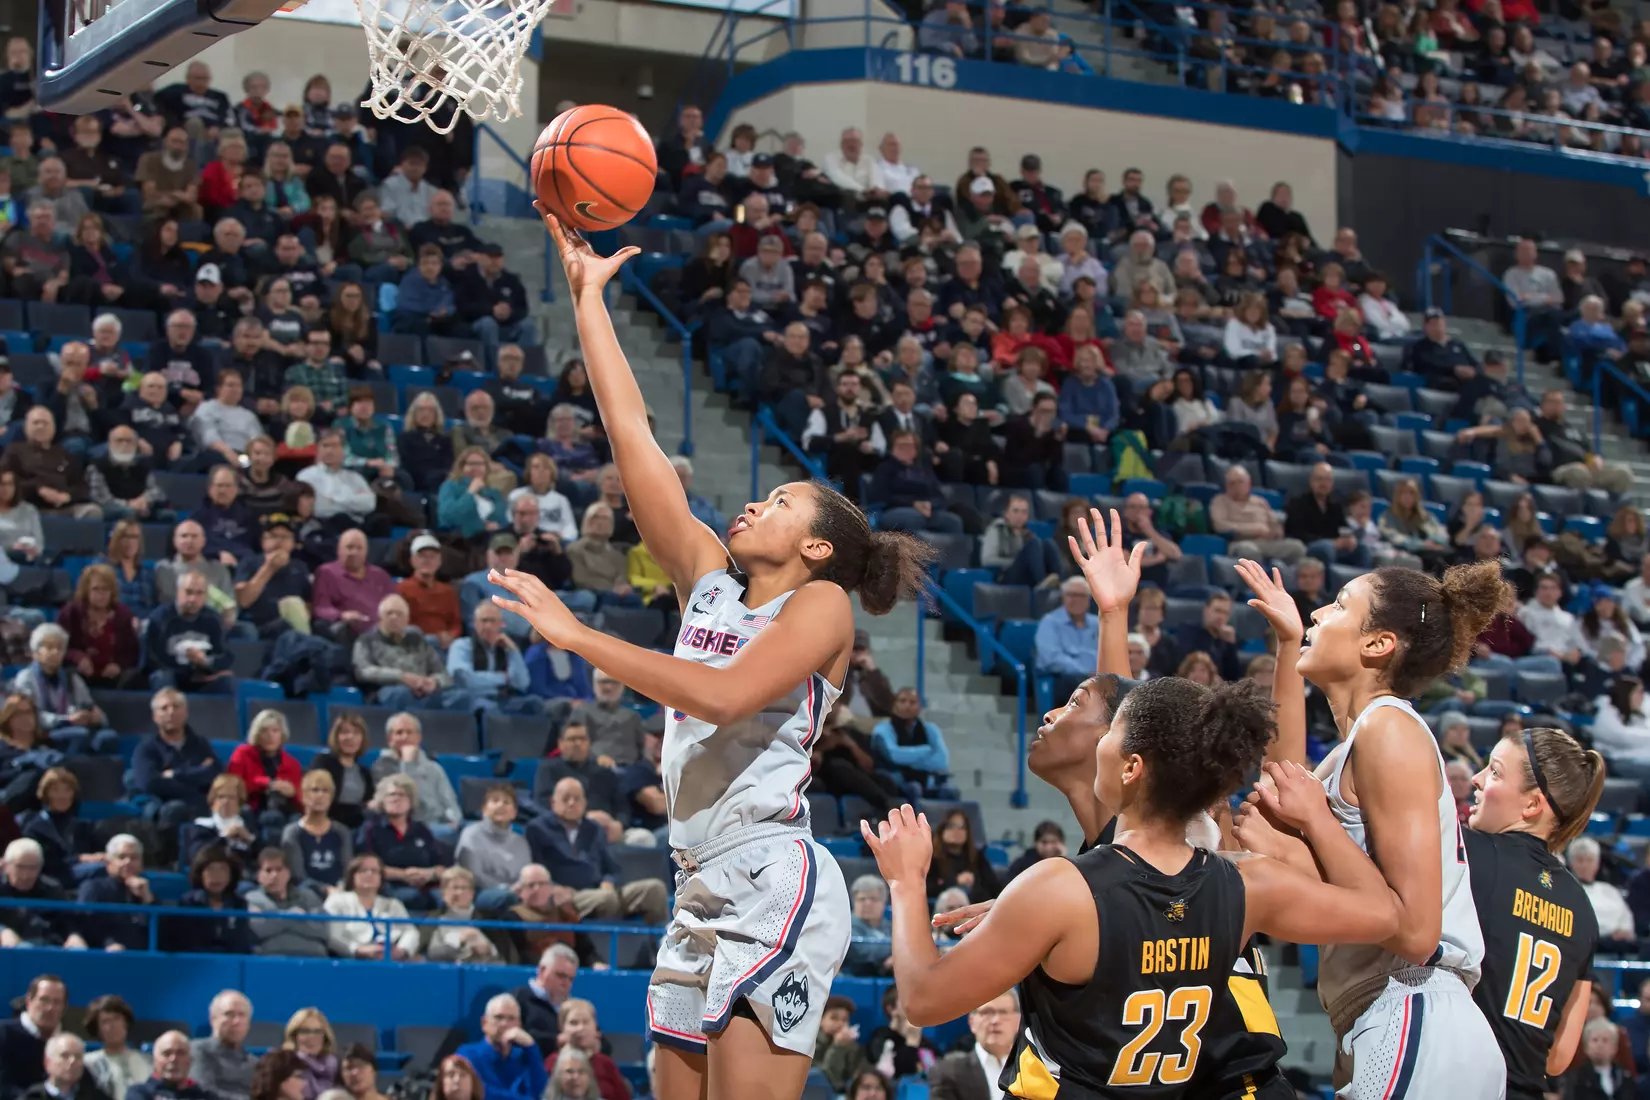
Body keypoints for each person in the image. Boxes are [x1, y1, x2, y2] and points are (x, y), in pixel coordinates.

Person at [1236, 557, 1513, 1097]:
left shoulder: (1390, 727)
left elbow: (1414, 932)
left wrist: (1314, 828)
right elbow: (1281, 788)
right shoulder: (1359, 743)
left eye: (1338, 605)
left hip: (1414, 1004)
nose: (1316, 611)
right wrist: (1288, 645)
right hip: (1393, 1019)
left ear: (1378, 643)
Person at [1462, 725, 1605, 1099]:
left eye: (1493, 771)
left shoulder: (1466, 853)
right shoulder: (1584, 911)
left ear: (1531, 805)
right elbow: (1556, 1058)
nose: (1476, 779)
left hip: (1452, 1079)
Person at [524, 777, 669, 924]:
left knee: (655, 890)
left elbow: (611, 868)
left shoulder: (594, 828)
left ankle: (660, 943)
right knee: (606, 899)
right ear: (553, 802)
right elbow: (536, 867)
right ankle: (608, 946)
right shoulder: (538, 829)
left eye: (577, 798)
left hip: (602, 891)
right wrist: (553, 888)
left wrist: (608, 881)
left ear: (585, 803)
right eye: (566, 798)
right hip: (568, 895)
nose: (571, 803)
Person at [352, 594, 470, 712]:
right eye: (389, 613)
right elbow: (363, 671)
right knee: (401, 694)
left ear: (407, 620)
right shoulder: (366, 640)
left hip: (425, 691)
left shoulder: (418, 641)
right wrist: (402, 677)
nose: (394, 617)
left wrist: (434, 682)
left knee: (461, 697)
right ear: (380, 617)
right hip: (389, 690)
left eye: (399, 614)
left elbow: (444, 674)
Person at [130, 689, 221, 830]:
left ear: (186, 713)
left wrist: (176, 774)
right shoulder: (146, 749)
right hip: (166, 805)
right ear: (155, 716)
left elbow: (215, 773)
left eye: (176, 706)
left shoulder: (201, 744)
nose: (171, 712)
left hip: (201, 804)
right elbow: (151, 783)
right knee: (175, 809)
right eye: (164, 708)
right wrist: (196, 776)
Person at [370, 712, 462, 832]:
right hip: (411, 826)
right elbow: (411, 803)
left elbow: (449, 801)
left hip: (441, 825)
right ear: (389, 739)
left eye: (409, 732)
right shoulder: (382, 767)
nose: (405, 737)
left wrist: (455, 821)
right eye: (399, 733)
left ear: (419, 738)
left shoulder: (434, 768)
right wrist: (408, 765)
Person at [448, 604, 543, 714]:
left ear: (501, 624)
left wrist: (513, 651)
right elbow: (465, 679)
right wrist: (504, 678)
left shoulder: (506, 648)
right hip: (472, 700)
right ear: (475, 624)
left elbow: (522, 683)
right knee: (488, 708)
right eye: (484, 621)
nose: (488, 626)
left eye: (493, 621)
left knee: (534, 703)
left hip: (503, 700)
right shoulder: (462, 646)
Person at [923, 993, 1019, 1100]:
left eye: (1003, 1012)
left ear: (1018, 1021)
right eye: (987, 1012)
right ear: (972, 1022)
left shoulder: (1033, 1070)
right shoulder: (947, 1072)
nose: (995, 1021)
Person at [323, 854, 420, 959]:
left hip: (391, 959)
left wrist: (401, 951)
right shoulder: (337, 901)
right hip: (351, 961)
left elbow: (411, 932)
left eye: (374, 871)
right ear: (352, 876)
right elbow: (332, 936)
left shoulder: (393, 904)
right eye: (363, 870)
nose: (369, 874)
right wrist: (357, 950)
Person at [455, 995, 546, 1100]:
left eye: (511, 1018)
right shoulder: (467, 1054)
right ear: (484, 1023)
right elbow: (480, 1093)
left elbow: (542, 1093)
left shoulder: (524, 1056)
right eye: (499, 1017)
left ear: (519, 1025)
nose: (505, 1024)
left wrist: (531, 1046)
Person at [246, 847, 331, 957]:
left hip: (313, 959)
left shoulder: (309, 897)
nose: (274, 875)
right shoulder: (252, 899)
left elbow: (323, 931)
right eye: (268, 870)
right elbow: (256, 932)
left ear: (288, 873)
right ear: (259, 876)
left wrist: (276, 921)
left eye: (279, 869)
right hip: (270, 961)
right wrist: (291, 917)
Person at [281, 770, 352, 892]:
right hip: (304, 893)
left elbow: (348, 869)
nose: (320, 795)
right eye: (315, 790)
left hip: (339, 893)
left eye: (325, 791)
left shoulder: (342, 832)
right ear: (303, 795)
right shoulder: (292, 832)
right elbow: (297, 876)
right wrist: (325, 890)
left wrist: (340, 888)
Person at [544, 1000, 630, 1100]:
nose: (580, 1028)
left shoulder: (606, 1064)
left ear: (595, 1026)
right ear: (562, 1027)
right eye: (574, 1023)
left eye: (586, 1022)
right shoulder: (552, 1063)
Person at [1033, 578, 1100, 703]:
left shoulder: (1097, 623)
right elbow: (1051, 659)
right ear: (1063, 597)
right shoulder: (1050, 622)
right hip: (1061, 679)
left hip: (1096, 678)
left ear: (1089, 600)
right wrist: (1086, 673)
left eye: (1082, 596)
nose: (1077, 600)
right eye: (1072, 595)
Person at [0, 975, 66, 1100]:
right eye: (44, 1000)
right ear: (29, 1001)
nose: (50, 1008)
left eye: (57, 1002)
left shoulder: (67, 1043)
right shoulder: (4, 1033)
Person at [312, 714, 374, 830]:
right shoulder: (323, 762)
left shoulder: (364, 773)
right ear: (336, 737)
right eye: (344, 732)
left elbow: (368, 801)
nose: (350, 737)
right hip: (329, 821)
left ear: (362, 739)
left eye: (356, 733)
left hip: (357, 825)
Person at [82, 997, 148, 1100]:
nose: (112, 1026)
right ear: (98, 1029)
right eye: (105, 1021)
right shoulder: (87, 1064)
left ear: (126, 1022)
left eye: (116, 1018)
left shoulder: (147, 1061)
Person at [124, 1033, 210, 1100]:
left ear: (190, 1060)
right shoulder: (139, 1093)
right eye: (166, 1053)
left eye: (181, 1053)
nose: (174, 1059)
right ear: (155, 1060)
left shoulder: (207, 1096)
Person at [19, 1034, 106, 1100]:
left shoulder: (96, 1097)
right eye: (65, 1056)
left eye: (78, 1056)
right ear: (47, 1062)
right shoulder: (31, 1097)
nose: (72, 1061)